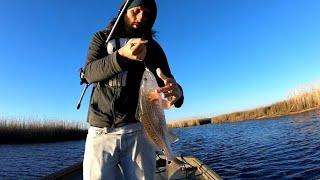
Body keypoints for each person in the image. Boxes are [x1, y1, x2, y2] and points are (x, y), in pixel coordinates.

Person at [82, 0, 184, 179]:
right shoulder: (101, 38)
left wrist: (178, 93)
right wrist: (120, 56)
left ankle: (171, 162)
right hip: (100, 132)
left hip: (140, 131)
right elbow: (90, 73)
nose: (141, 17)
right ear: (123, 12)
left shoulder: (153, 48)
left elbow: (167, 83)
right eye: (135, 11)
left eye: (147, 14)